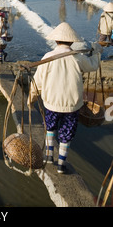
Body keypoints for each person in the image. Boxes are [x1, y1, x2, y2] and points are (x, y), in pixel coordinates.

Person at [28, 22, 102, 174]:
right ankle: (61, 164)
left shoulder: (47, 58)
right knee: (66, 133)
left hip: (51, 103)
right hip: (72, 105)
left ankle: (49, 157)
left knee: (50, 128)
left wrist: (31, 99)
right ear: (72, 41)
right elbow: (94, 66)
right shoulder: (78, 58)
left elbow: (37, 83)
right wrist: (96, 52)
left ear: (56, 41)